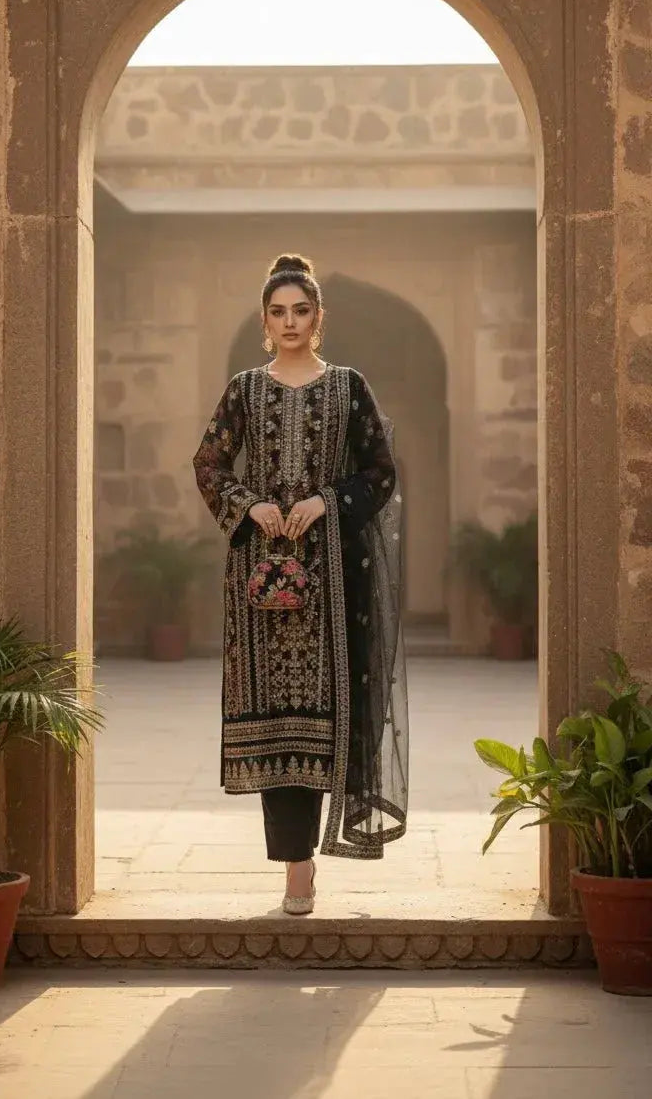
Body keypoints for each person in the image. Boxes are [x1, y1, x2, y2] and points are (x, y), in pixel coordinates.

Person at [193, 254, 408, 915]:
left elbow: (380, 471)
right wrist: (247, 505)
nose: (290, 322)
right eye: (279, 312)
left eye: (302, 310)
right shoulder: (243, 390)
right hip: (261, 583)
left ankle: (304, 865)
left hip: (335, 583)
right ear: (265, 320)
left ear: (319, 317)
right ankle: (294, 865)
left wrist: (326, 502)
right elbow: (207, 462)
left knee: (326, 720)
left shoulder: (348, 387)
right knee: (277, 724)